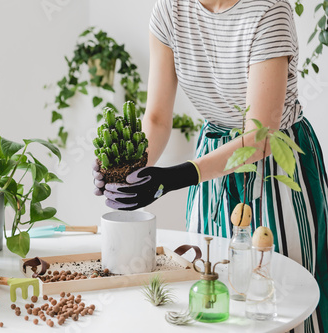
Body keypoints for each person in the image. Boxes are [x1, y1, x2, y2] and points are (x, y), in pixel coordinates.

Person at [93, 0, 328, 331]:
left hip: (277, 163)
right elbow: (157, 118)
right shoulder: (170, 10)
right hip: (211, 164)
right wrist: (130, 168)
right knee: (211, 282)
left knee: (276, 295)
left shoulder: (268, 11)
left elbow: (259, 135)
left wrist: (176, 177)